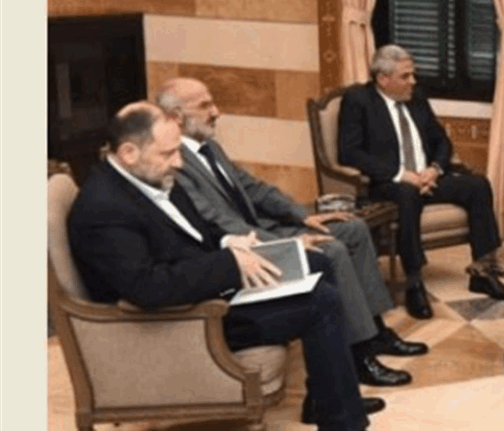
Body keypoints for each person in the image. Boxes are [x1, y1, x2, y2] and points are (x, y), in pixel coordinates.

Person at [67, 102, 383, 431]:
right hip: (181, 323)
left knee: (315, 262)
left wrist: (230, 242)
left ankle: (324, 401)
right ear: (129, 153)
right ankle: (343, 423)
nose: (178, 163)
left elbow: (197, 230)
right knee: (321, 303)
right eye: (168, 154)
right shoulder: (104, 209)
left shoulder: (148, 177)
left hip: (203, 291)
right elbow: (149, 287)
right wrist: (230, 263)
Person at [158, 77, 427, 388]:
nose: (216, 112)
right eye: (205, 106)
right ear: (176, 116)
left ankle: (376, 331)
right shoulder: (172, 162)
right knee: (332, 250)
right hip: (248, 248)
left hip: (266, 227)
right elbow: (216, 222)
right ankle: (359, 354)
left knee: (353, 228)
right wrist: (287, 242)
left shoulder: (209, 148)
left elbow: (254, 188)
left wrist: (304, 216)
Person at [338, 45, 504, 320]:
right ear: (383, 79)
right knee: (407, 195)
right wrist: (400, 174)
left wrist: (434, 169)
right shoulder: (358, 100)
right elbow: (349, 152)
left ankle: (484, 273)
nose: (413, 81)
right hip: (388, 183)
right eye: (405, 76)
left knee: (478, 185)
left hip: (427, 178)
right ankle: (414, 282)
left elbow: (441, 140)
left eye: (413, 74)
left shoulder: (416, 96)